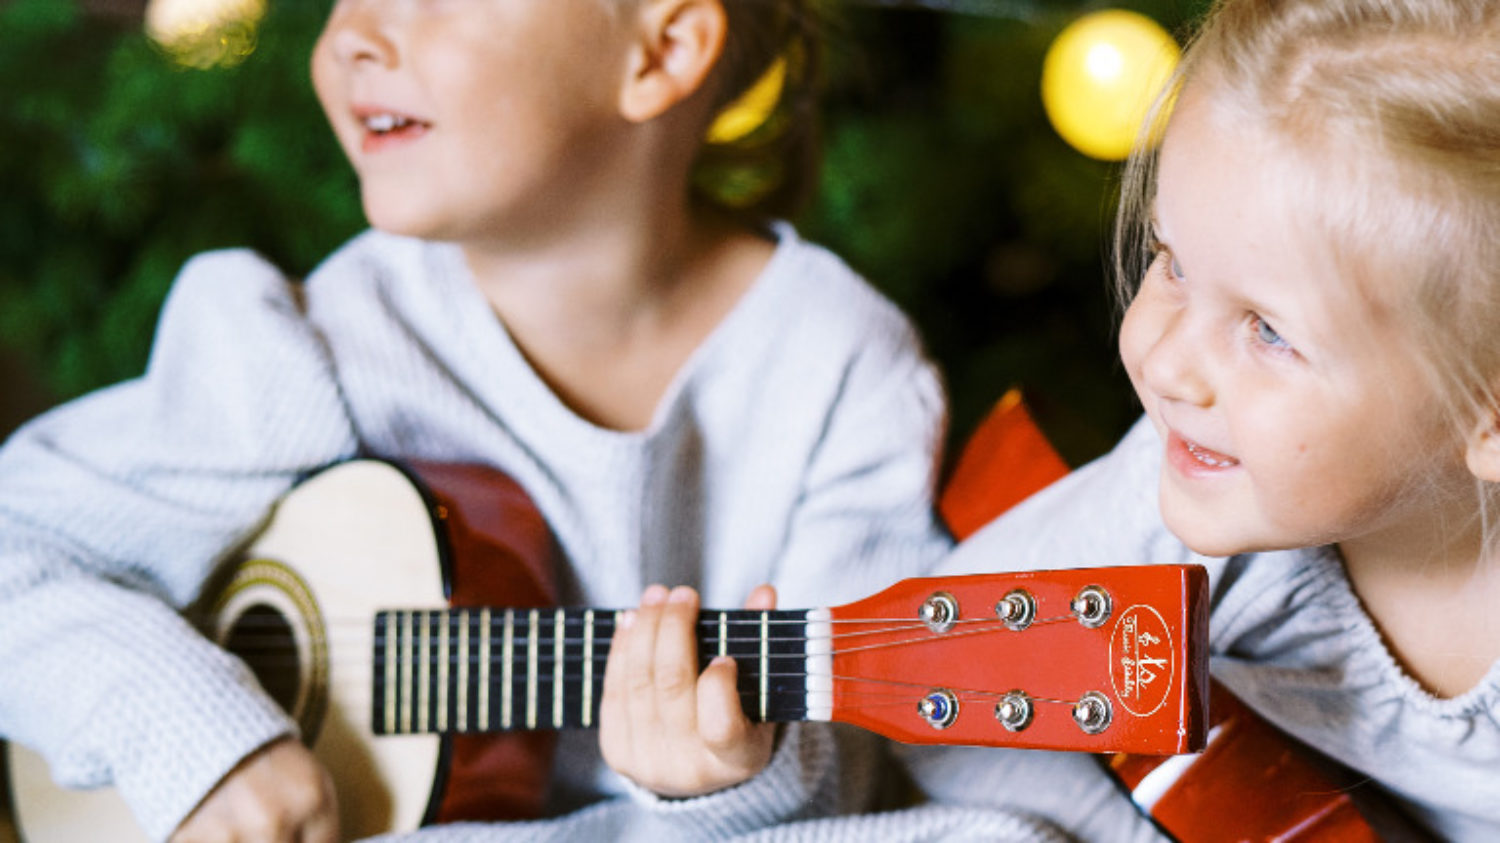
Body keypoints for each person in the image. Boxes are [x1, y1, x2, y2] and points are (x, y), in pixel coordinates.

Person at [0, 0, 958, 840]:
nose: (350, 39)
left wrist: (739, 768)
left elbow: (857, 773)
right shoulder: (311, 352)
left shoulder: (840, 365)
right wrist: (187, 733)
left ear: (660, 51)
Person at [873, 0, 1500, 839]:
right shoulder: (1187, 504)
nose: (1163, 363)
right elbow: (923, 673)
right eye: (1171, 262)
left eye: (1270, 332)